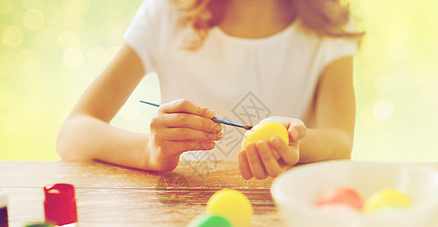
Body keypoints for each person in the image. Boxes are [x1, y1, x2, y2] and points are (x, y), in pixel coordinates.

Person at [56, 0, 364, 180]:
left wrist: (294, 142)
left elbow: (341, 141)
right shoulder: (167, 13)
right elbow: (72, 134)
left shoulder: (329, 25)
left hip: (285, 223)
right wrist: (150, 153)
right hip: (181, 218)